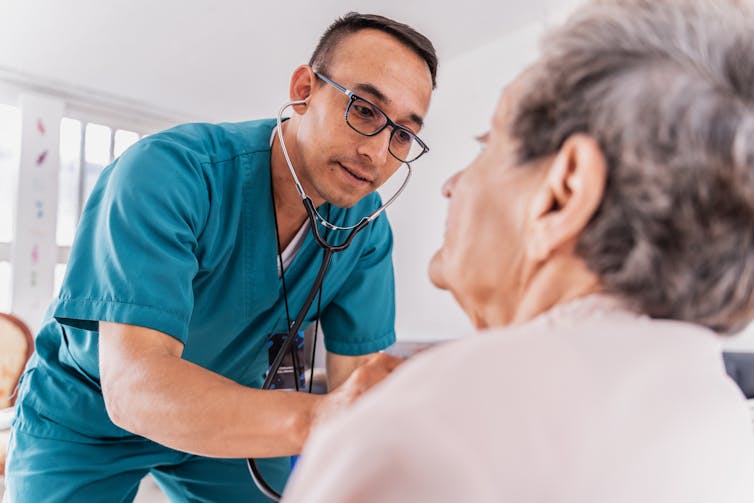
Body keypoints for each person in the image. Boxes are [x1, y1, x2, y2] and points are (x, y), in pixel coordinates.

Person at [282, 1, 754, 501]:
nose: (450, 184)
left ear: (563, 193)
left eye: (487, 146)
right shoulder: (725, 429)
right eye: (365, 111)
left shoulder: (423, 430)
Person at [3, 12, 437, 503]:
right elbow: (134, 388)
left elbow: (359, 389)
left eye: (402, 134)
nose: (377, 154)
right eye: (364, 110)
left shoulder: (366, 230)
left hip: (233, 407)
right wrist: (316, 418)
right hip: (89, 412)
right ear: (303, 90)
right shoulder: (167, 173)